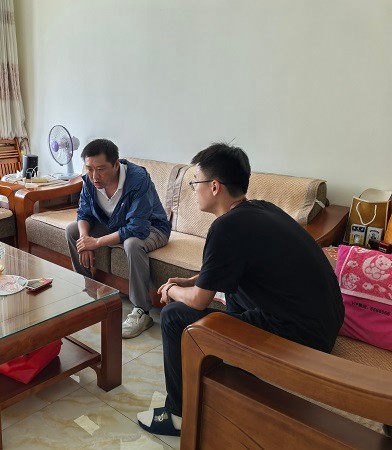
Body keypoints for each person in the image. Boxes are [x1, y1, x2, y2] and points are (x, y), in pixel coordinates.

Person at [137, 143, 344, 436]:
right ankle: (227, 381)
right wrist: (191, 280)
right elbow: (227, 268)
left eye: (195, 183)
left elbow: (198, 302)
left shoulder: (226, 227)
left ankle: (179, 415)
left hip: (301, 336)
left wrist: (171, 291)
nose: (193, 190)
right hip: (325, 322)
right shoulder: (262, 209)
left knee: (173, 316)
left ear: (215, 186)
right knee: (233, 290)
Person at [66, 139, 171, 339]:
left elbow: (137, 228)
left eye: (100, 169)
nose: (94, 176)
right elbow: (83, 213)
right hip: (114, 224)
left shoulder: (138, 180)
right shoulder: (89, 180)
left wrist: (96, 243)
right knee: (73, 230)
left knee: (132, 243)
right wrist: (85, 239)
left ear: (116, 165)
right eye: (89, 169)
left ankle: (142, 311)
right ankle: (89, 293)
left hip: (152, 227)